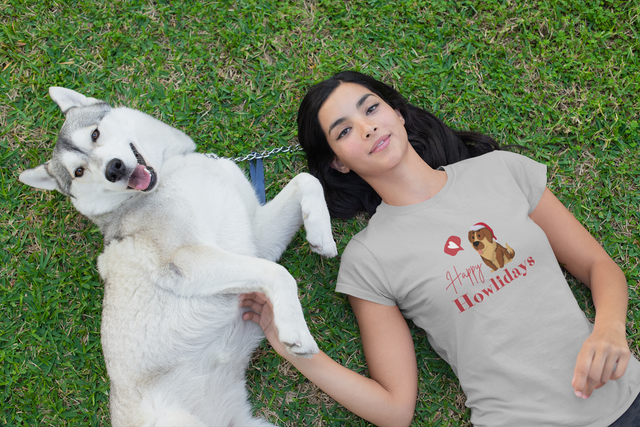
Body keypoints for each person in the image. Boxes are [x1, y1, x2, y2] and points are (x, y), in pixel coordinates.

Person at [240, 71, 640, 426]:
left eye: (372, 109)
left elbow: (596, 264)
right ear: (338, 163)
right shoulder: (368, 259)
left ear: (397, 113)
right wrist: (291, 344)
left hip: (629, 394)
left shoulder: (501, 169)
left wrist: (609, 329)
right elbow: (396, 410)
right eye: (343, 131)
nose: (366, 128)